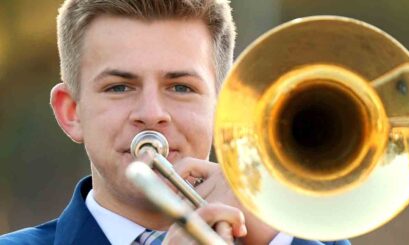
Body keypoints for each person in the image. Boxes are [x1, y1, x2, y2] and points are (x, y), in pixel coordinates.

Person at [0, 0, 350, 244]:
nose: (152, 113)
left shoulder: (299, 242)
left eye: (181, 87)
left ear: (225, 106)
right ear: (71, 112)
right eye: (119, 87)